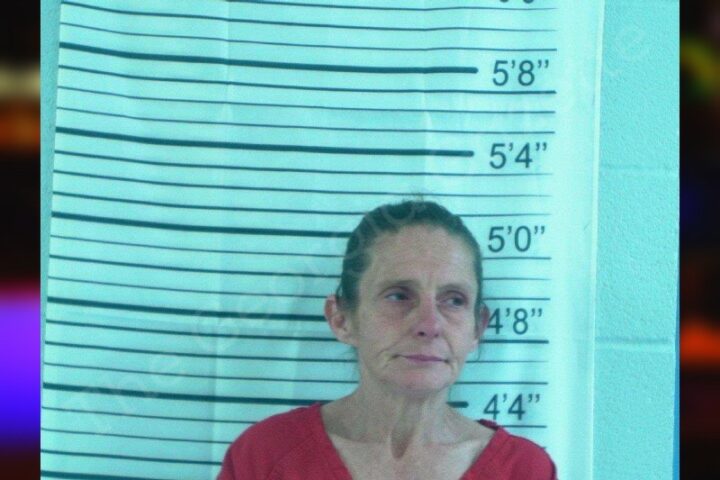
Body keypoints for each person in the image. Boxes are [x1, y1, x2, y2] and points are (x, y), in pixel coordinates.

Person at [218, 200, 556, 479]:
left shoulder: (525, 471)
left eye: (454, 300)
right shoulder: (265, 456)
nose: (429, 324)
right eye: (398, 295)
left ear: (477, 329)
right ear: (342, 319)